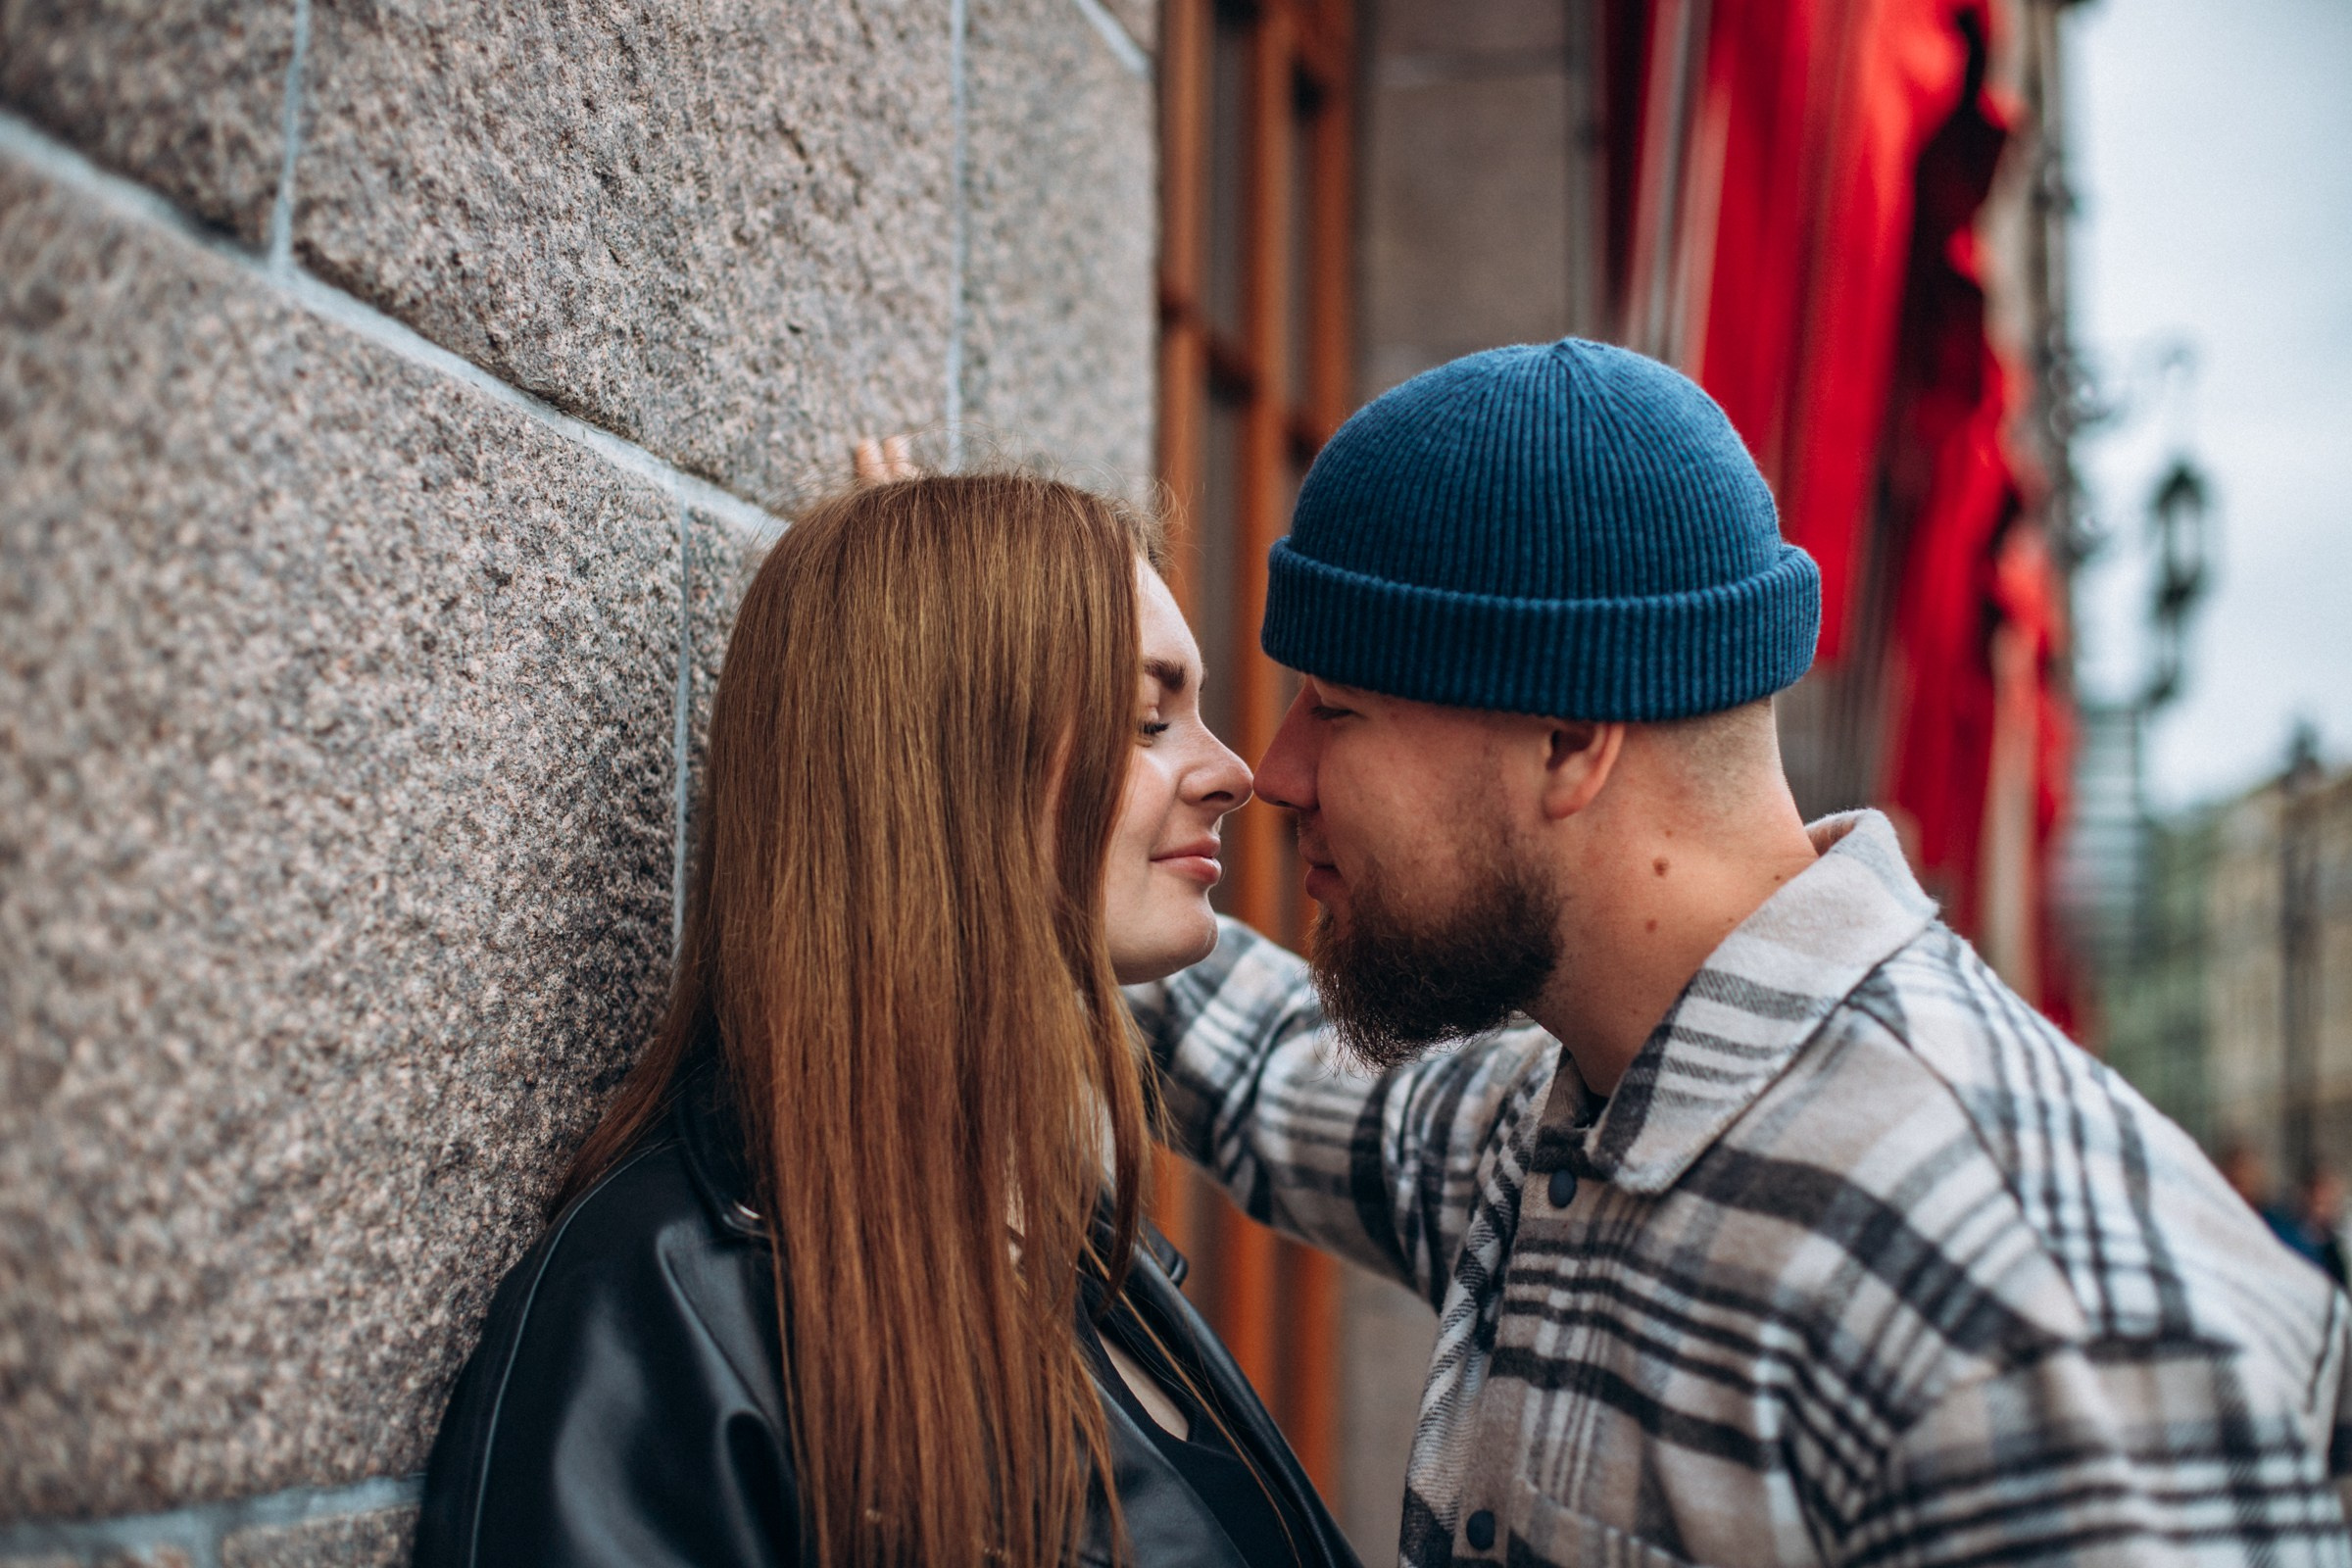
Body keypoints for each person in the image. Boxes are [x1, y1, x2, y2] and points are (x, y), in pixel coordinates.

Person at [1127, 339, 2352, 1567]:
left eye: (1336, 707)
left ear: (1568, 737)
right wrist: (1024, 829)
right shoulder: (1579, 1120)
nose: (1273, 773)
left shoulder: (2023, 1310)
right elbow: (1269, 1064)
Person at [415, 471, 1361, 1567]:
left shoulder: (1067, 1240)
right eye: (1150, 720)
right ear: (950, 760)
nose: (1238, 772)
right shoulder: (667, 1310)